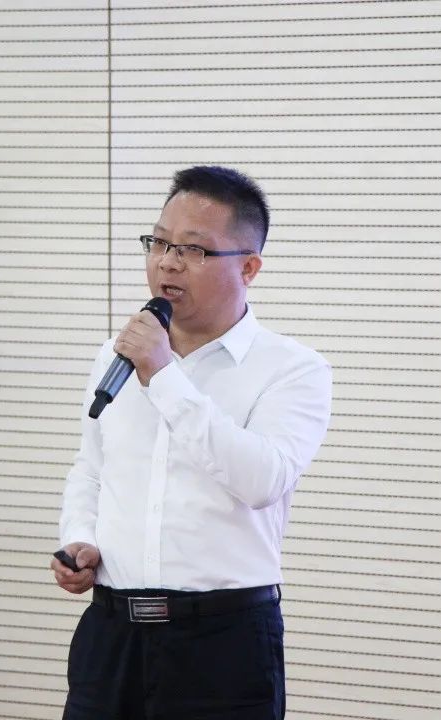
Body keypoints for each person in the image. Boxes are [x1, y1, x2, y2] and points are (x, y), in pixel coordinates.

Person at [52, 165, 332, 720]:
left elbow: (262, 481)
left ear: (249, 267)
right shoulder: (116, 354)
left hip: (222, 646)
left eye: (194, 250)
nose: (167, 262)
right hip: (111, 637)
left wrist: (163, 375)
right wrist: (79, 538)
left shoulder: (293, 369)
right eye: (158, 242)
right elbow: (92, 468)